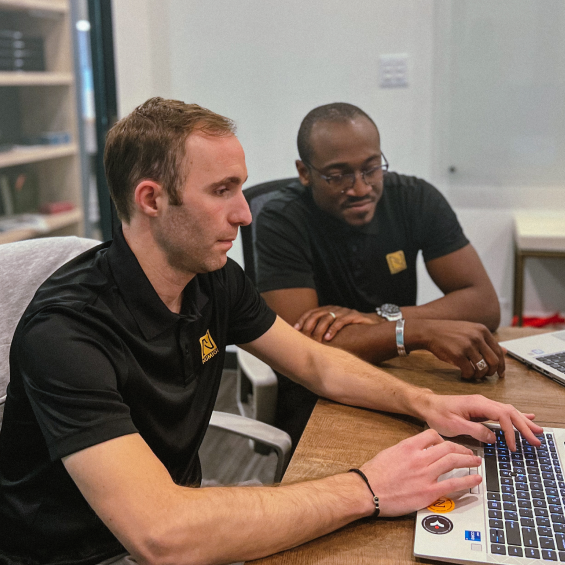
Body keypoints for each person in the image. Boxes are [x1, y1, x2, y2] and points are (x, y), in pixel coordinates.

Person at [0, 97, 541, 565]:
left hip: (180, 518)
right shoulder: (67, 334)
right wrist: (370, 488)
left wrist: (425, 402)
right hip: (88, 552)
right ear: (151, 200)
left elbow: (313, 361)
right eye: (223, 190)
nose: (245, 213)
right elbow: (160, 535)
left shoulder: (211, 278)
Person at [254, 102, 505, 445]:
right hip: (318, 395)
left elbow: (484, 303)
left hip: (401, 375)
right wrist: (413, 332)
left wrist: (383, 320)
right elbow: (303, 349)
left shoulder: (415, 199)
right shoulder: (280, 221)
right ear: (304, 172)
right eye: (338, 175)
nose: (360, 188)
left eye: (372, 169)